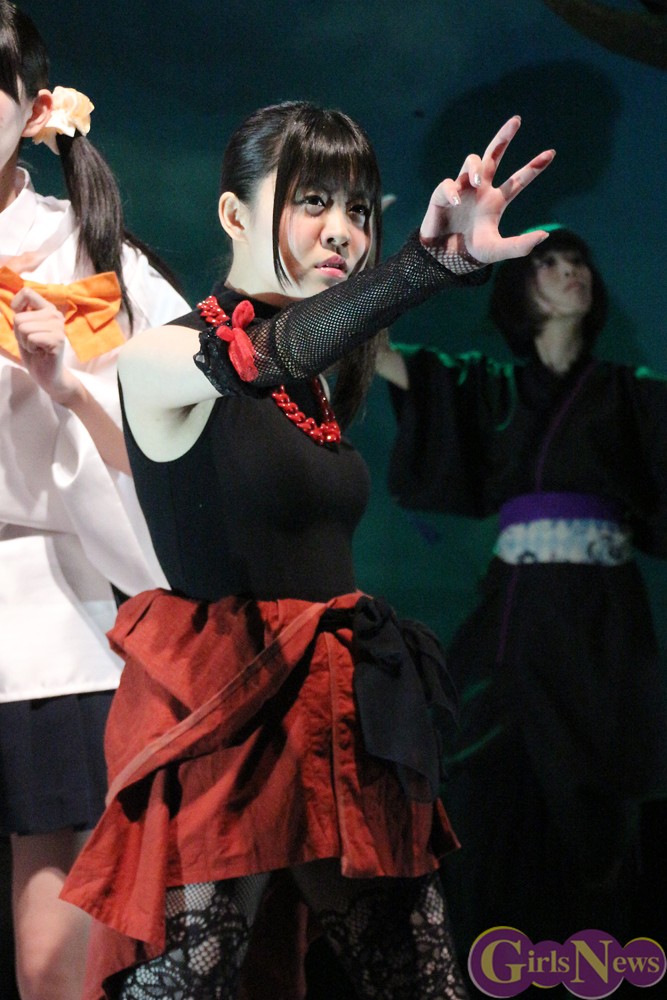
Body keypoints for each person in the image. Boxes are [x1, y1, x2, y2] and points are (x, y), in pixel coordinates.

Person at [61, 99, 554, 1000]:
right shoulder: (158, 359)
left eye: (359, 209)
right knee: (187, 983)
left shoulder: (317, 386)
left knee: (421, 980)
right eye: (313, 201)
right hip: (224, 710)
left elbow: (290, 357)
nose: (342, 231)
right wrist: (428, 267)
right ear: (233, 213)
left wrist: (427, 267)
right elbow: (263, 357)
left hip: (332, 707)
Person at [380, 226, 667, 971]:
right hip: (512, 622)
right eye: (550, 263)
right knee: (485, 786)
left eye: (579, 262)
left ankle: (600, 968)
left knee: (594, 803)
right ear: (521, 286)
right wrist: (368, 283)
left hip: (600, 626)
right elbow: (383, 359)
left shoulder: (633, 396)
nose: (571, 273)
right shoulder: (490, 388)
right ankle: (492, 964)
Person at [0, 5, 190, 999]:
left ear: (33, 109)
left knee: (55, 947)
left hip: (49, 617)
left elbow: (187, 423)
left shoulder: (87, 253)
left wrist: (72, 382)